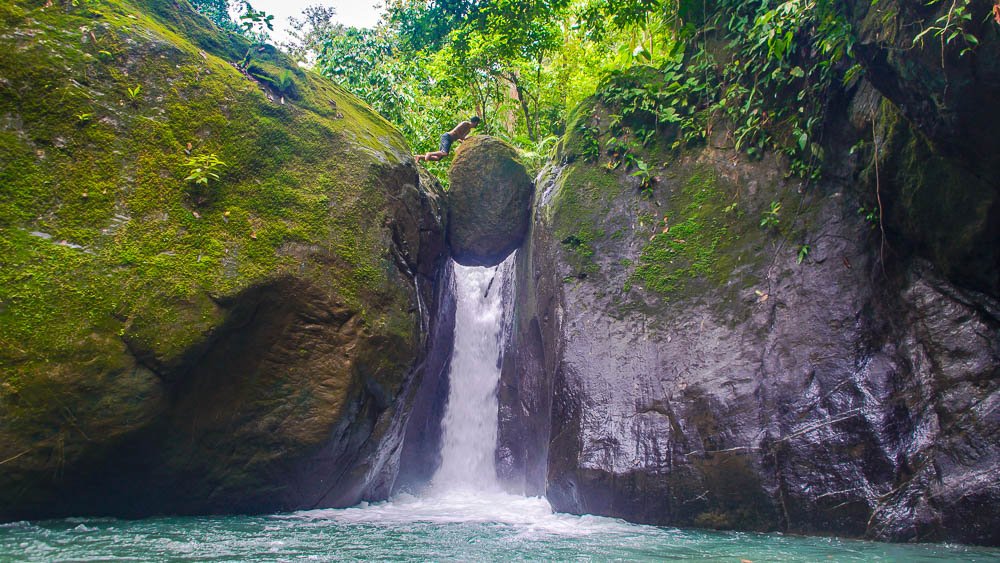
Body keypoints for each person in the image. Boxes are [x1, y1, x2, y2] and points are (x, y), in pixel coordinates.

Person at [415, 116, 481, 162]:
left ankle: (419, 157)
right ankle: (429, 153)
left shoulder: (468, 130)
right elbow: (456, 131)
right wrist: (462, 137)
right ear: (475, 122)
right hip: (447, 137)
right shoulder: (465, 123)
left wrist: (465, 143)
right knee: (444, 153)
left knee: (438, 158)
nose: (477, 125)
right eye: (477, 123)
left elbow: (459, 139)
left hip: (450, 140)